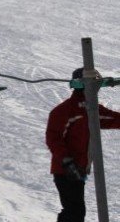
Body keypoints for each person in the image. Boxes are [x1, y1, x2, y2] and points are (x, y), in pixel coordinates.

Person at [46, 67, 120, 221]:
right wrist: (66, 162)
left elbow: (112, 119)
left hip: (79, 169)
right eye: (95, 85)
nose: (97, 89)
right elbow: (53, 138)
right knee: (74, 211)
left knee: (76, 211)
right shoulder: (65, 110)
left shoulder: (91, 108)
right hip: (65, 170)